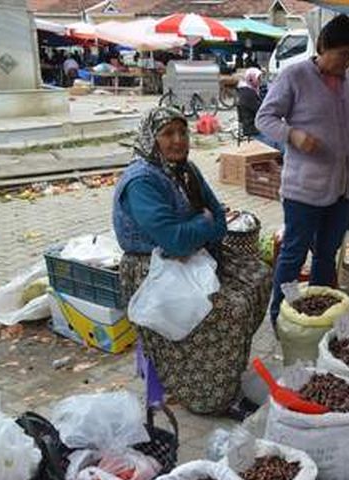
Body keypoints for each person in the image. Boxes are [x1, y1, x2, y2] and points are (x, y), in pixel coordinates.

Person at [113, 107, 271, 414]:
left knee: (259, 276)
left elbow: (219, 217)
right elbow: (174, 240)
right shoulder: (141, 181)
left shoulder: (185, 169)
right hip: (153, 268)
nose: (178, 141)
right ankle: (210, 396)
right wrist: (202, 225)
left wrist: (201, 228)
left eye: (182, 132)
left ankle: (225, 367)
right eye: (167, 133)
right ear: (151, 138)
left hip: (194, 257)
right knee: (229, 310)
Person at [255, 14, 349, 326]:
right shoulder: (294, 76)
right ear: (323, 46)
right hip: (305, 188)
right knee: (294, 255)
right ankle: (283, 314)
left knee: (327, 252)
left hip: (345, 185)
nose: (348, 62)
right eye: (343, 54)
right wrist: (293, 135)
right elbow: (265, 118)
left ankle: (319, 314)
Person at [236, 67, 263, 139]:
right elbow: (259, 110)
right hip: (253, 129)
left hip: (252, 125)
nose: (260, 81)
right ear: (251, 79)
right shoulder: (248, 93)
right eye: (258, 79)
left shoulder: (246, 90)